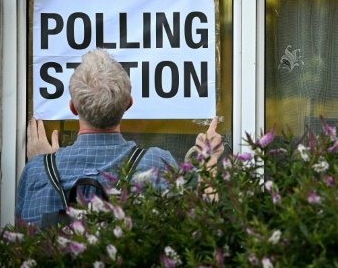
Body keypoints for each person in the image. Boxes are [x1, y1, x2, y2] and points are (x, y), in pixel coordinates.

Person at [15, 48, 223, 226]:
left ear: (73, 108)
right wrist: (209, 163)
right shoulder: (157, 163)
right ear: (128, 104)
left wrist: (42, 165)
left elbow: (20, 246)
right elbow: (204, 226)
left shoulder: (37, 171)